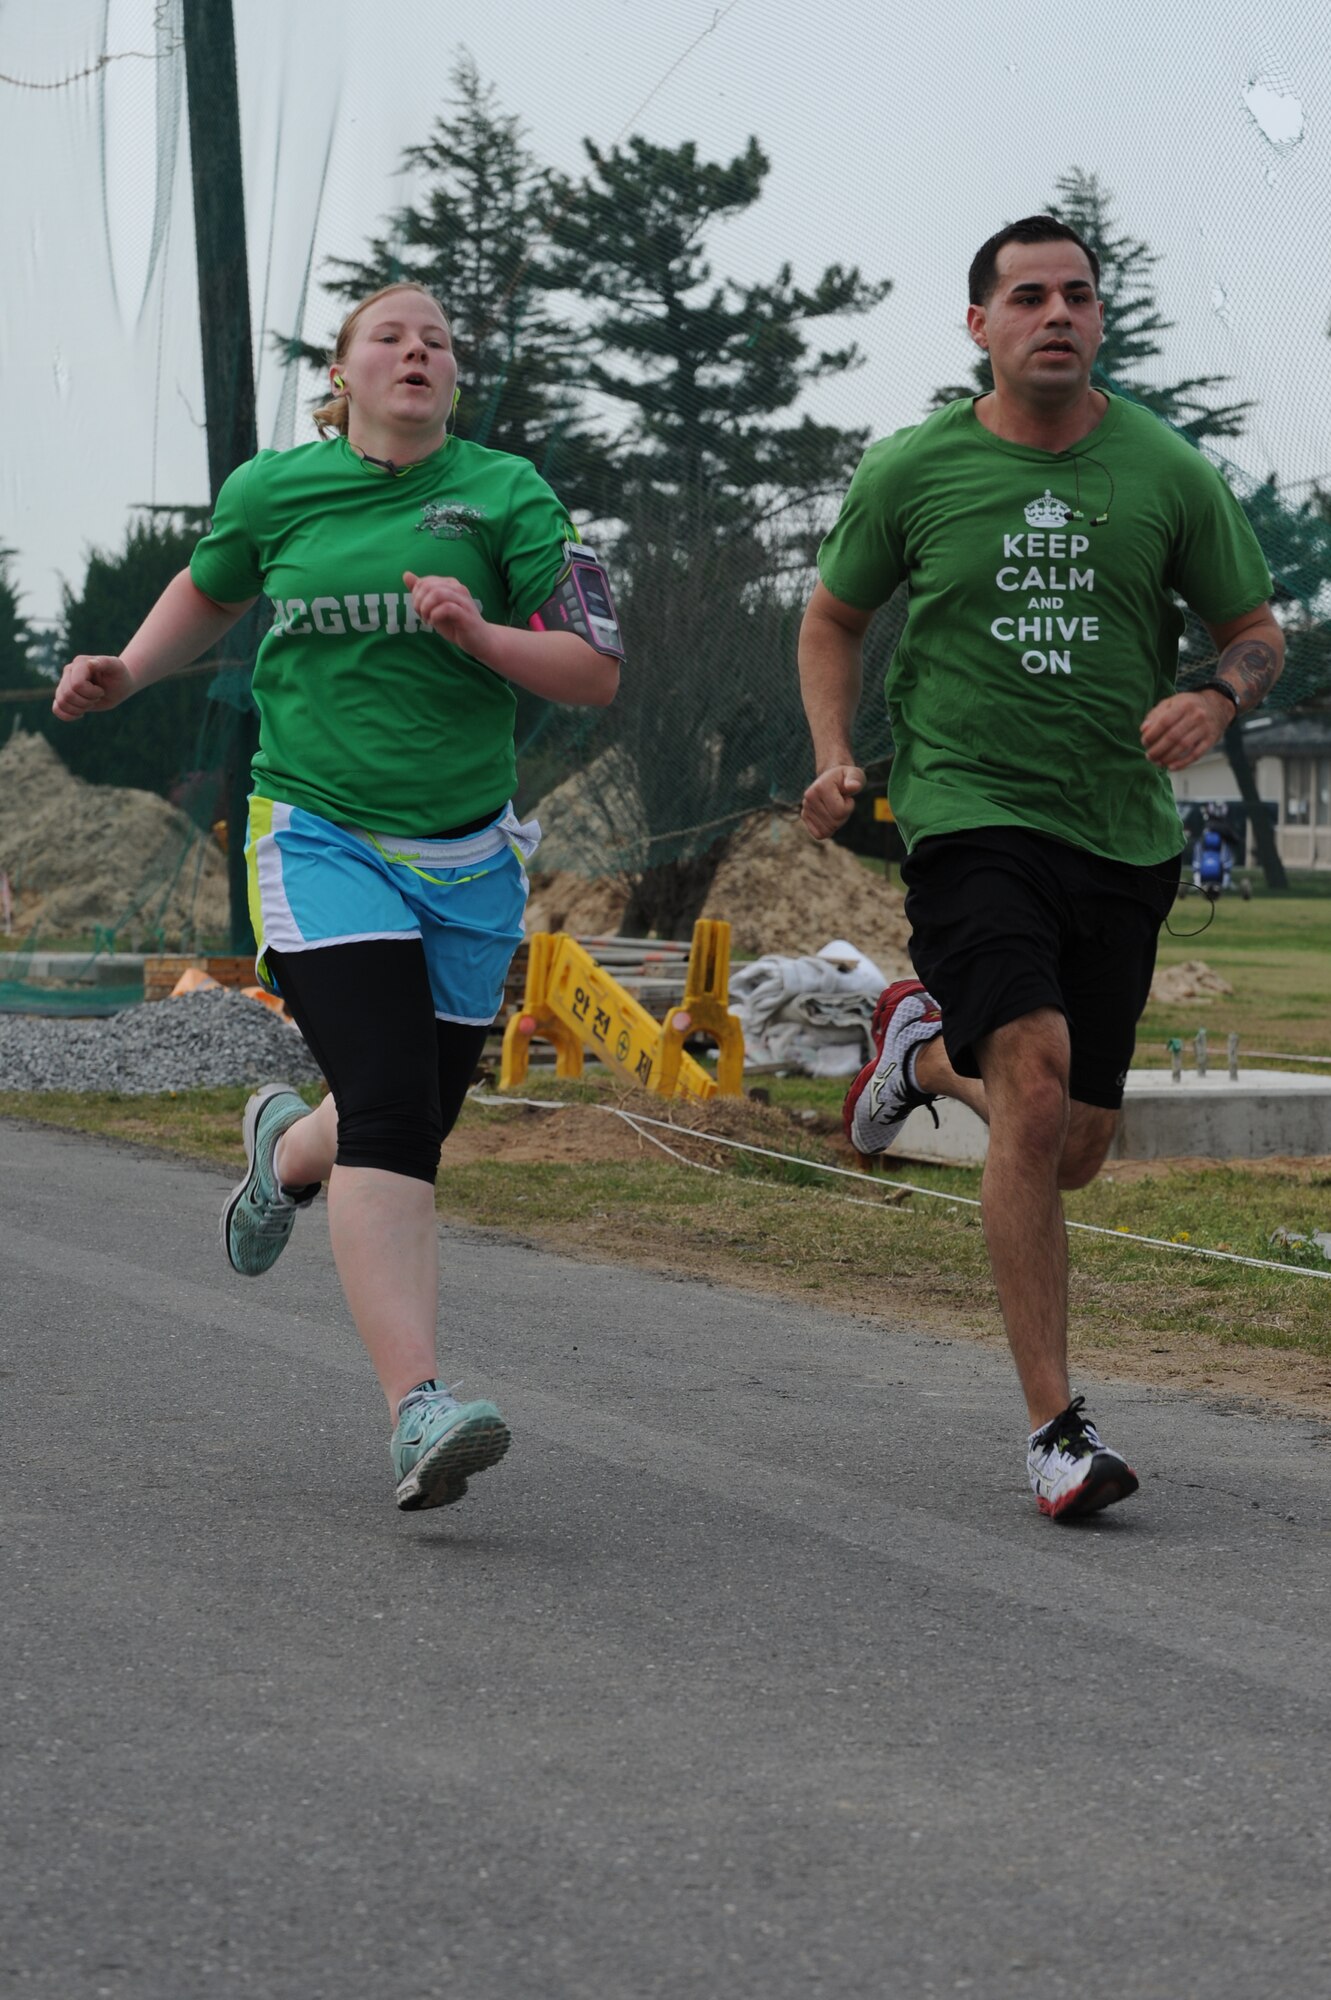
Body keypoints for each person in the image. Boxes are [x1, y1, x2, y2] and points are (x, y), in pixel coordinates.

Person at [53, 281, 621, 1513]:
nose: (416, 351)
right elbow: (213, 587)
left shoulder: (508, 494)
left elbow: (591, 668)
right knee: (391, 1112)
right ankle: (419, 1405)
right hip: (314, 831)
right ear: (343, 370)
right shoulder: (275, 490)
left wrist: (478, 633)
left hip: (468, 856)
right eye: (389, 336)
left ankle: (284, 1152)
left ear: (454, 379)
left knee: (407, 1114)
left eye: (437, 341)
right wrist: (130, 669)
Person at [798, 217, 1282, 1521]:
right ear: (979, 328)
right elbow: (832, 616)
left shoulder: (1166, 475)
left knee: (1067, 1145)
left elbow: (1251, 631)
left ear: (1097, 322)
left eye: (1073, 294)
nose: (1052, 314)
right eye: (1024, 297)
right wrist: (837, 756)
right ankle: (1053, 1432)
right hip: (966, 813)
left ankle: (915, 1052)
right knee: (1034, 1076)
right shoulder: (914, 472)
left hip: (1120, 833)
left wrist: (1214, 698)